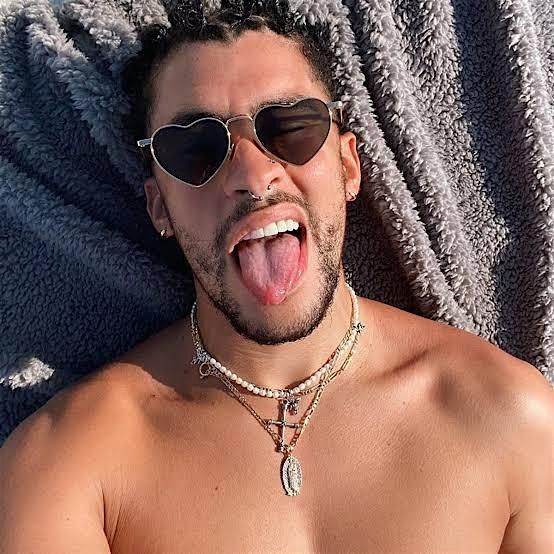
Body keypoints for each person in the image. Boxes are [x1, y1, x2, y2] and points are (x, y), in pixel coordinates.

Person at [1, 4, 552, 553]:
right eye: (196, 149)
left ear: (348, 166)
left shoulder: (507, 416)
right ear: (159, 207)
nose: (253, 174)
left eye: (290, 127)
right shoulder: (71, 466)